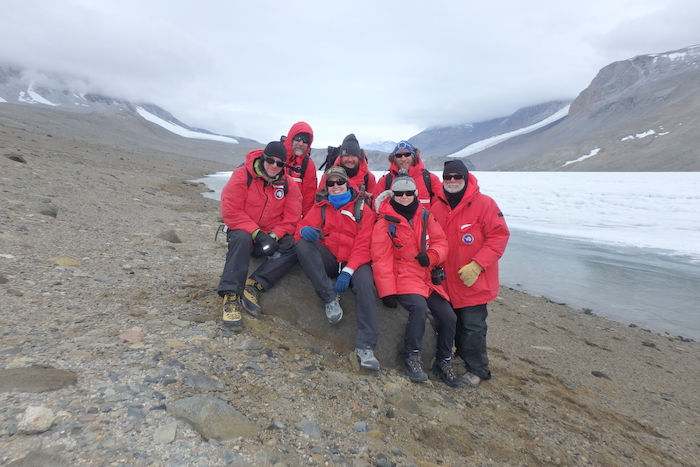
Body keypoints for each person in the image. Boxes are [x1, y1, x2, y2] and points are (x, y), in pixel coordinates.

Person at [371, 175, 462, 387]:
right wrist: (387, 292)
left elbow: (441, 242)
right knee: (418, 308)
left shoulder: (425, 216)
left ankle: (443, 361)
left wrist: (432, 256)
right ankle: (411, 357)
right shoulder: (385, 222)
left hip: (426, 277)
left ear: (415, 194)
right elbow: (381, 259)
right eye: (399, 193)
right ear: (393, 194)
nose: (404, 197)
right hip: (402, 275)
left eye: (409, 193)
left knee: (449, 316)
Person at [431, 160, 510, 388]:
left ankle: (477, 369)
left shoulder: (485, 204)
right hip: (445, 281)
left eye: (457, 177)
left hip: (473, 281)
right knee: (450, 323)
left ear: (466, 178)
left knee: (473, 327)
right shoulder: (436, 207)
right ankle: (457, 355)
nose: (452, 181)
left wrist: (478, 264)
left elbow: (499, 237)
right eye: (448, 177)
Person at [295, 166, 381, 370]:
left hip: (355, 262)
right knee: (303, 245)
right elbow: (301, 228)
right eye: (331, 183)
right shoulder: (321, 207)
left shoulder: (362, 209)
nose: (335, 187)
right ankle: (329, 298)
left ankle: (366, 347)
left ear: (347, 183)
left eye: (339, 182)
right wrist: (304, 231)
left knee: (366, 286)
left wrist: (349, 271)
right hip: (331, 259)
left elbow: (364, 244)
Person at [217, 141, 302, 330]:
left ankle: (254, 284)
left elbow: (292, 218)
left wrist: (273, 235)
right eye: (270, 160)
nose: (274, 166)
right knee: (241, 238)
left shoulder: (288, 185)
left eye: (280, 164)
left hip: (269, 235)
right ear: (263, 158)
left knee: (295, 244)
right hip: (244, 231)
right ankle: (231, 295)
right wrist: (257, 233)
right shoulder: (243, 175)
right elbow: (231, 210)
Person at [373, 140, 441, 206]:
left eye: (407, 154)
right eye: (399, 156)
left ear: (414, 156)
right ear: (394, 158)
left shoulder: (431, 179)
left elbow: (438, 209)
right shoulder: (384, 181)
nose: (403, 159)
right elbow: (375, 208)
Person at [281, 122, 317, 217]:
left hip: (292, 219)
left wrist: (304, 222)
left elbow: (308, 198)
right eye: (298, 139)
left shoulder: (307, 164)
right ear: (290, 138)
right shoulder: (276, 156)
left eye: (305, 141)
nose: (301, 144)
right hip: (269, 216)